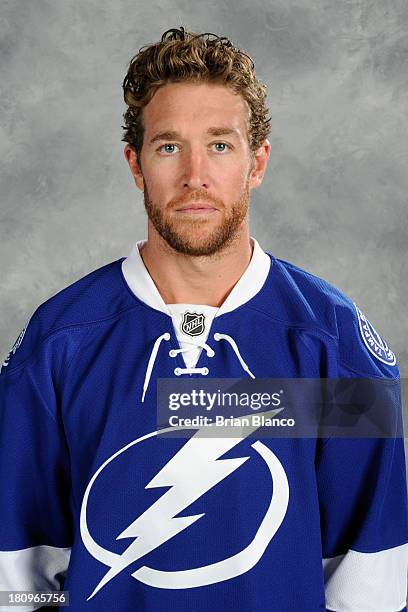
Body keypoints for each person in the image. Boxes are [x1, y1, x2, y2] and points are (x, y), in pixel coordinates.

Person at [0, 26, 407, 612]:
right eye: (169, 146)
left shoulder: (337, 346)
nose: (195, 175)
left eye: (220, 145)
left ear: (257, 162)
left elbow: (373, 575)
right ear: (136, 164)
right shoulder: (58, 344)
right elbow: (17, 571)